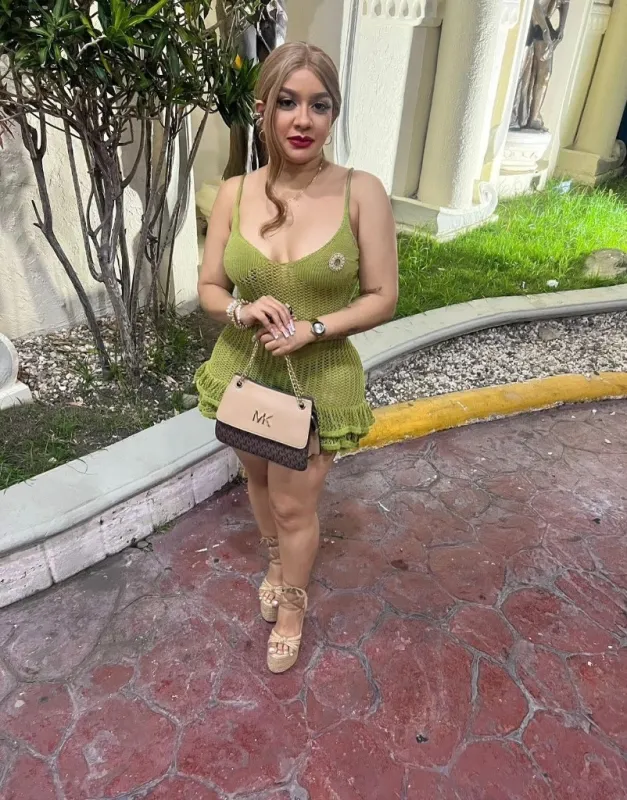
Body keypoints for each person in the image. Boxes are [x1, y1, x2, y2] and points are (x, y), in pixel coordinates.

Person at [195, 41, 398, 674]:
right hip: (245, 370)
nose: (303, 120)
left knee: (293, 503)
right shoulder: (234, 192)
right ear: (263, 109)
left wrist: (314, 327)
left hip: (317, 377)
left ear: (334, 113)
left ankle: (292, 607)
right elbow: (209, 288)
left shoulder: (361, 192)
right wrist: (240, 310)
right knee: (257, 482)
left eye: (319, 104)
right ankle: (277, 563)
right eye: (287, 102)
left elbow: (383, 296)